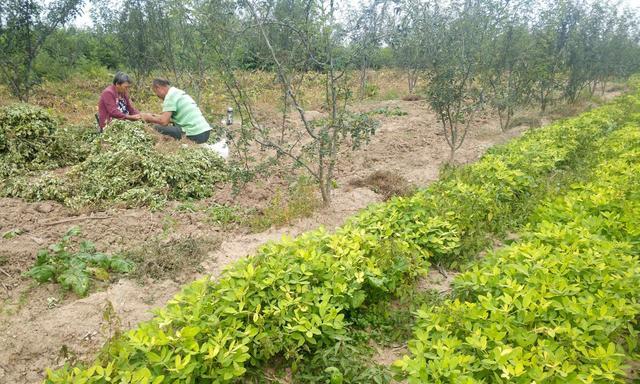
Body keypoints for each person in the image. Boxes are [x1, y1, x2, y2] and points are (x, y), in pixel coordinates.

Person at [140, 79, 212, 144]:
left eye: (156, 92)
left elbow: (164, 121)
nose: (157, 95)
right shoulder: (177, 92)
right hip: (205, 132)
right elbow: (169, 118)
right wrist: (153, 116)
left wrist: (148, 118)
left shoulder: (169, 96)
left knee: (156, 127)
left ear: (158, 87)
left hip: (195, 134)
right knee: (171, 125)